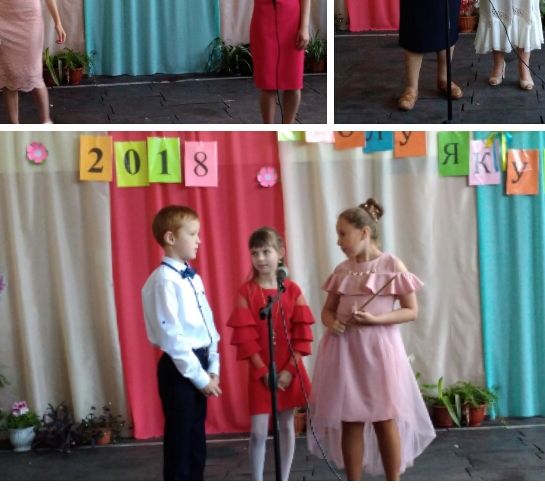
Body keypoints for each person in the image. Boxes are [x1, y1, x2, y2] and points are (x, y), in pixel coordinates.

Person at [308, 199, 435, 480]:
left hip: (378, 351)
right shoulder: (342, 270)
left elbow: (411, 310)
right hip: (346, 352)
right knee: (350, 420)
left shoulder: (391, 265)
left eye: (343, 234)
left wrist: (376, 320)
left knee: (384, 418)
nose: (339, 241)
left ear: (364, 232)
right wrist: (332, 323)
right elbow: (328, 310)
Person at [227, 227, 314, 481]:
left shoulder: (293, 290)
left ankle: (283, 480)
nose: (260, 258)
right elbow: (245, 338)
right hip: (260, 373)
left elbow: (301, 335)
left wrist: (289, 370)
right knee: (258, 432)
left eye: (266, 251)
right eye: (255, 253)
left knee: (286, 425)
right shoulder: (246, 292)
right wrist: (263, 371)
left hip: (289, 369)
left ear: (280, 253)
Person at [141, 205, 222, 481]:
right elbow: (172, 337)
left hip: (199, 362)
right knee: (180, 440)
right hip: (180, 368)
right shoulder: (164, 281)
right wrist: (200, 377)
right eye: (193, 233)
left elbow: (208, 324)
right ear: (171, 238)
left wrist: (213, 365)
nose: (199, 240)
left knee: (196, 438)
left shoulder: (193, 278)